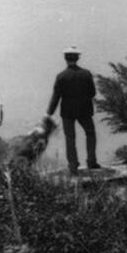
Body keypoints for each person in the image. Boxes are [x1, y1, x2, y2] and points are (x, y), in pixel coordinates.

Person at [46, 46, 100, 174]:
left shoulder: (61, 76)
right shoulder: (86, 74)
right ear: (77, 58)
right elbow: (92, 93)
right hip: (84, 110)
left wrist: (49, 112)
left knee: (70, 138)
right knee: (90, 133)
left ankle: (73, 165)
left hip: (67, 112)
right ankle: (91, 161)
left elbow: (56, 96)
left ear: (65, 59)